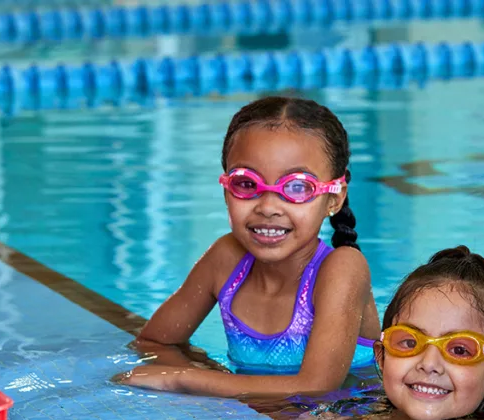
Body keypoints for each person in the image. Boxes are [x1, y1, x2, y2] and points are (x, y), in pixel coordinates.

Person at [114, 96, 379, 397]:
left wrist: (183, 379)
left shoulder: (344, 268)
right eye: (246, 183)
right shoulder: (226, 260)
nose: (267, 207)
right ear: (226, 188)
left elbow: (316, 386)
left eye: (296, 187)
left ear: (334, 198)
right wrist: (215, 378)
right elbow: (154, 342)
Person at [290, 247, 484, 420]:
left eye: (460, 350)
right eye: (410, 342)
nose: (429, 364)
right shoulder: (370, 413)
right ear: (381, 357)